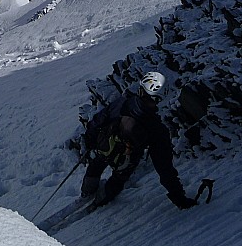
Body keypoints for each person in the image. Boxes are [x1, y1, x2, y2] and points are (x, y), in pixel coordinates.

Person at [80, 71, 197, 209]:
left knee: (96, 164)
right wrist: (179, 198)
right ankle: (101, 200)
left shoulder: (124, 103)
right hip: (128, 158)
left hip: (104, 144)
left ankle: (87, 192)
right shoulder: (156, 129)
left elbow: (99, 119)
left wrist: (90, 140)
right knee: (118, 179)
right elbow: (164, 167)